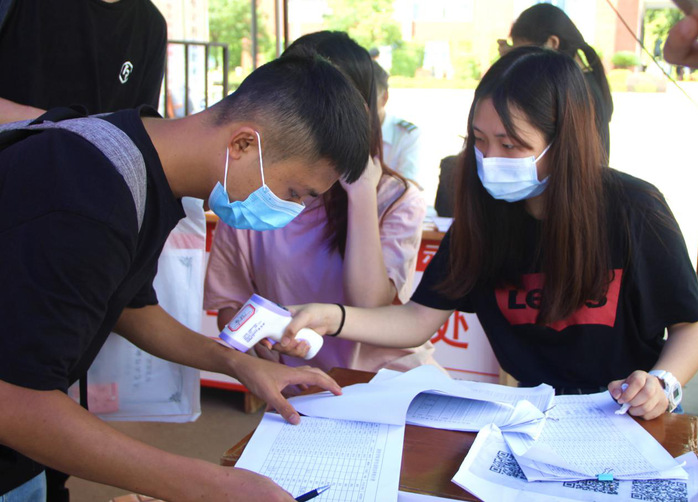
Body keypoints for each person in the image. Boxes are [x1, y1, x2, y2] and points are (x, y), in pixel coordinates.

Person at [0, 53, 370, 501]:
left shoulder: (141, 169)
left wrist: (238, 363)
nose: (290, 211)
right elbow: (16, 401)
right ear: (243, 144)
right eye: (293, 193)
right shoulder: (88, 191)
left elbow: (131, 307)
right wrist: (213, 486)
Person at [279, 47, 698, 423]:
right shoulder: (483, 219)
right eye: (479, 141)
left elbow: (689, 326)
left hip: (630, 411)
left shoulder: (634, 209)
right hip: (537, 413)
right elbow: (417, 319)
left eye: (510, 145)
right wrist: (330, 317)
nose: (489, 159)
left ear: (563, 144)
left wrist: (663, 384)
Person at [204, 31, 438, 374]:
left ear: (361, 113)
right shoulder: (254, 193)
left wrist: (361, 193)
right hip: (303, 387)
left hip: (386, 384)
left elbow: (371, 305)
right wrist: (266, 341)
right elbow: (231, 306)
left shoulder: (397, 199)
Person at [0, 0, 166, 124]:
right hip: (12, 157)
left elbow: (140, 134)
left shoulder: (152, 26)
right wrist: (66, 127)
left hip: (87, 161)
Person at [497, 3, 613, 158]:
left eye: (525, 53)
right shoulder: (579, 82)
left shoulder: (573, 89)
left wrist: (507, 66)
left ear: (552, 43)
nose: (523, 62)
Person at [373, 60, 427, 188]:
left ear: (384, 98)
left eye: (366, 98)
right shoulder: (344, 132)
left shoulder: (407, 135)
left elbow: (409, 187)